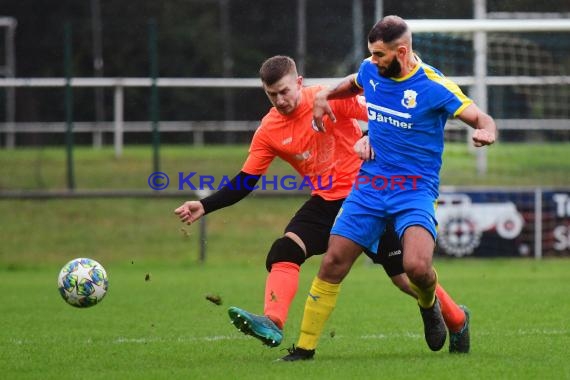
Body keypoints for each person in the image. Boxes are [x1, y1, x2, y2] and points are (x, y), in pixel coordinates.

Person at [174, 55, 469, 352]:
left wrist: (368, 137)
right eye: (272, 94)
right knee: (284, 250)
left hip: (368, 196)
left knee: (406, 279)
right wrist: (206, 205)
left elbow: (385, 114)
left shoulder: (329, 98)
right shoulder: (268, 129)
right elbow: (247, 180)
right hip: (326, 201)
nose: (280, 100)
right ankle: (273, 321)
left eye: (285, 91)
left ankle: (457, 320)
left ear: (299, 83)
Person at [281, 16, 496, 361]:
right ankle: (304, 349)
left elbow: (481, 118)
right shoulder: (372, 70)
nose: (373, 61)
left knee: (417, 268)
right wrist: (324, 96)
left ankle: (429, 306)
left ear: (402, 50)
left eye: (380, 55)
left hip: (414, 190)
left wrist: (486, 132)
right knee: (333, 261)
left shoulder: (433, 86)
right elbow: (353, 81)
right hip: (369, 186)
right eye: (372, 54)